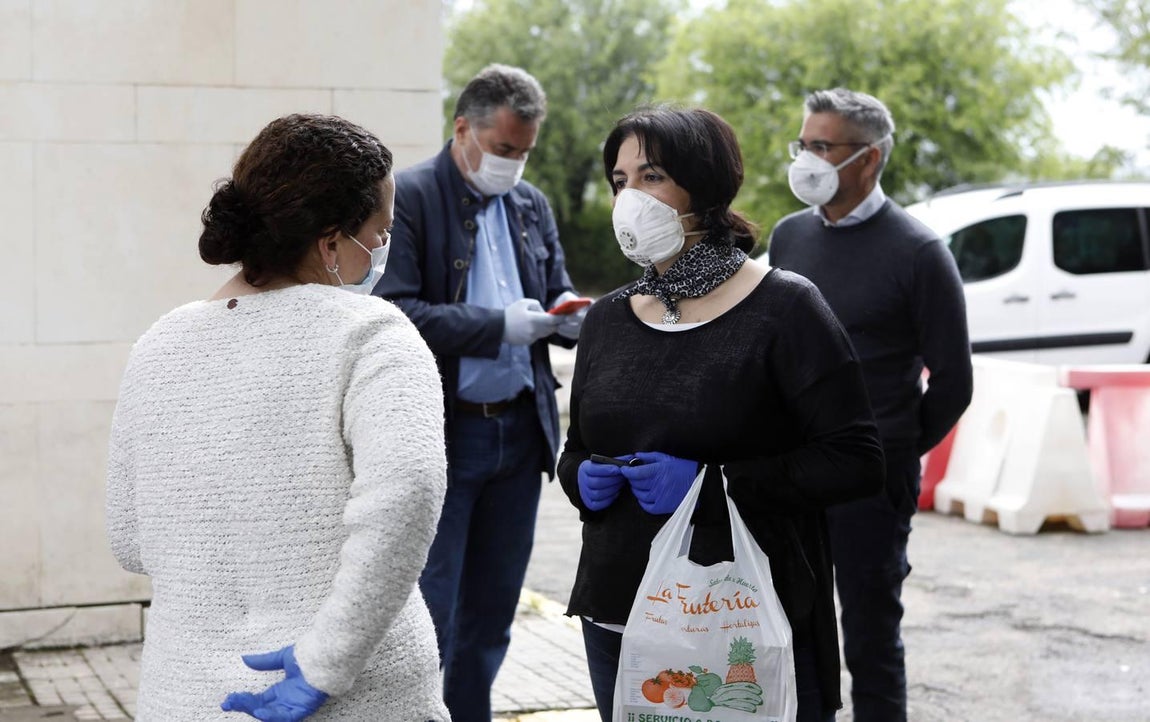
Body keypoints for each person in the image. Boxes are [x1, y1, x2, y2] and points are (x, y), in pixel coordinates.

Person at [105, 114, 450, 721]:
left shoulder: (158, 344)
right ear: (331, 243)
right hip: (357, 700)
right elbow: (409, 493)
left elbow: (130, 540)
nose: (383, 249)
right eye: (382, 231)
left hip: (187, 697)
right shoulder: (372, 334)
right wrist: (326, 661)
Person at [557, 105, 886, 722]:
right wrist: (579, 476)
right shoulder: (607, 319)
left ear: (703, 187)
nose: (630, 198)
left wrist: (713, 485)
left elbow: (856, 460)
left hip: (737, 619)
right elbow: (577, 446)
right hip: (618, 614)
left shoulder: (785, 308)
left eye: (652, 176)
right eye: (620, 181)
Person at [372, 63, 583, 721]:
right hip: (448, 431)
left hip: (520, 429)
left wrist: (569, 317)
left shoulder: (531, 204)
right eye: (503, 148)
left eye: (524, 152)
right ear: (462, 128)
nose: (513, 164)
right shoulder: (410, 196)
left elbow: (555, 287)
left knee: (492, 614)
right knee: (430, 608)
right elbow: (396, 311)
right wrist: (497, 327)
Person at [768, 88, 974, 722]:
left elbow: (954, 382)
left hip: (871, 484)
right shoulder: (789, 237)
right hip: (791, 475)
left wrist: (891, 450)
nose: (806, 158)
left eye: (822, 146)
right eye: (803, 143)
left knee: (870, 638)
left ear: (869, 158)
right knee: (791, 634)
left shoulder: (918, 252)